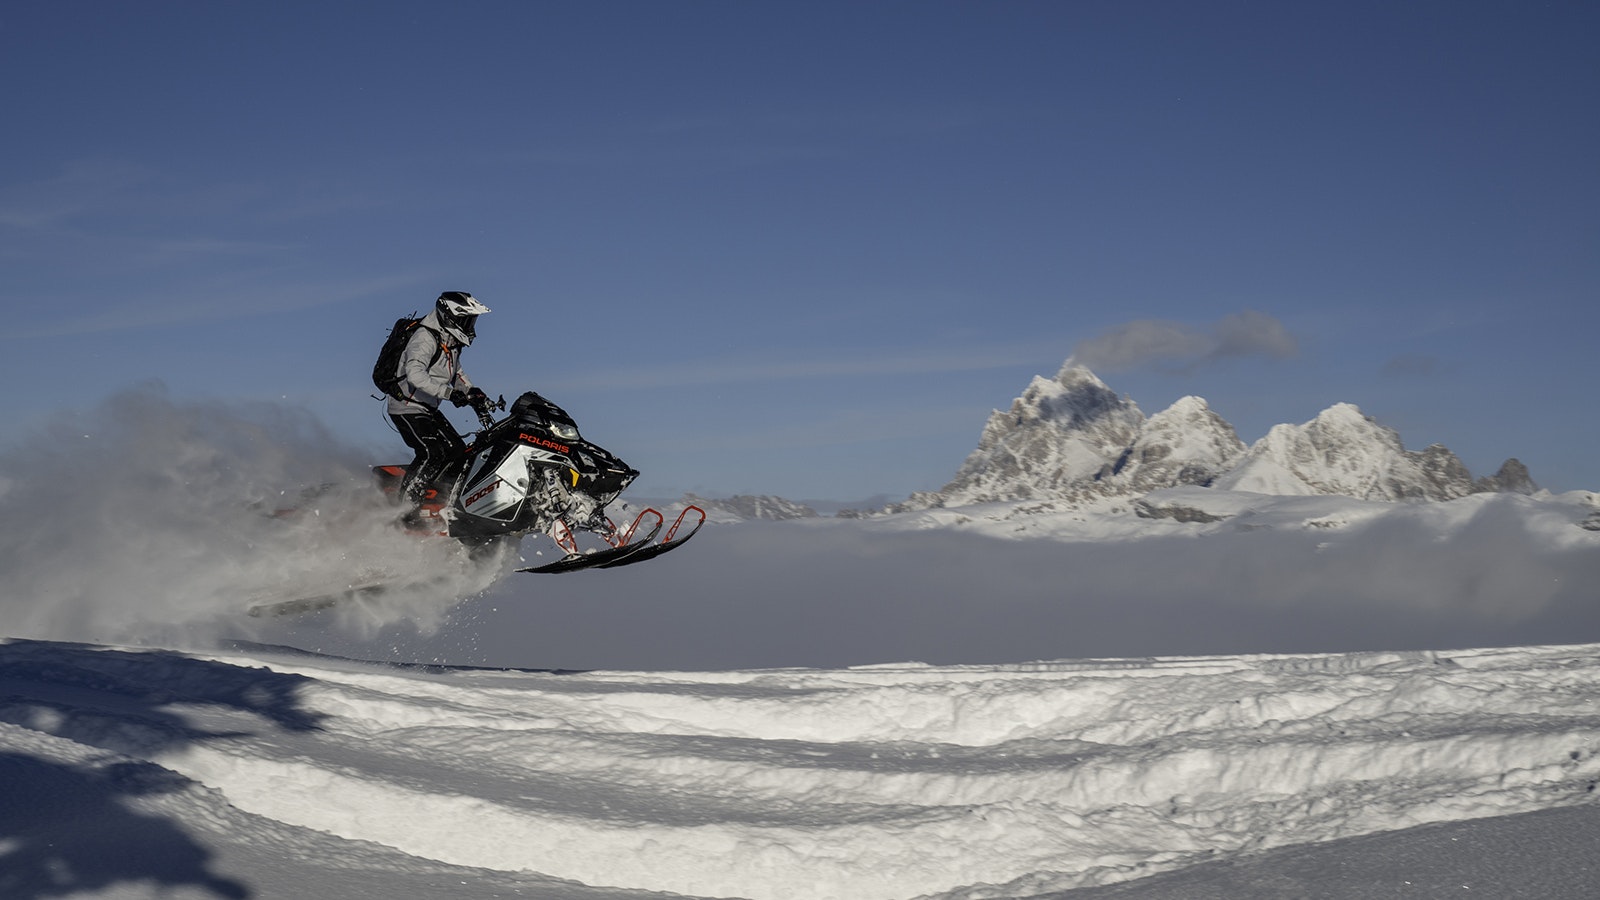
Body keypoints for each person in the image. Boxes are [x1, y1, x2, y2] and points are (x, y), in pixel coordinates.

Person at [386, 291, 492, 527]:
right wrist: (448, 394)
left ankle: (441, 503)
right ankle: (404, 511)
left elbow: (457, 375)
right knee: (432, 453)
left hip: (427, 407)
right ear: (449, 316)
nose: (470, 326)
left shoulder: (450, 341)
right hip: (406, 406)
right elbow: (414, 374)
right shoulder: (425, 337)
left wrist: (473, 393)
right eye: (466, 320)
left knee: (459, 452)